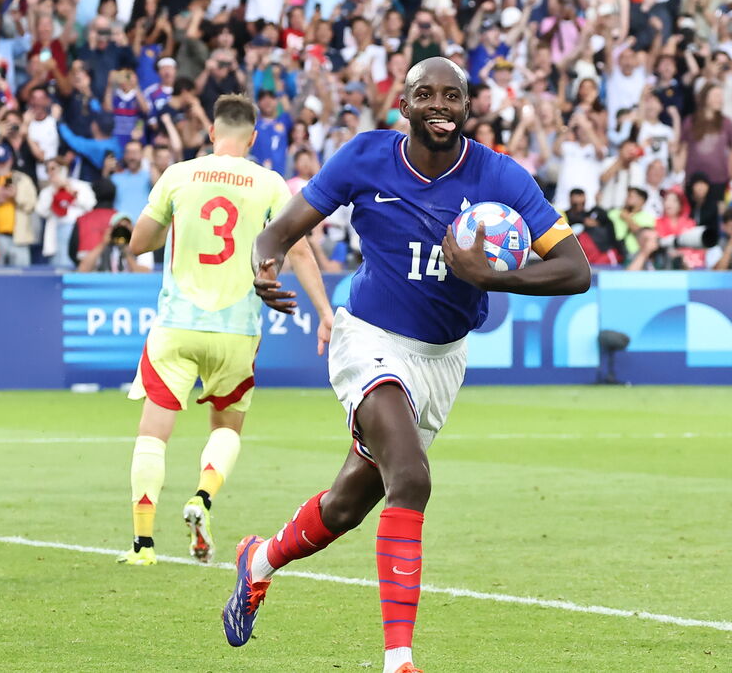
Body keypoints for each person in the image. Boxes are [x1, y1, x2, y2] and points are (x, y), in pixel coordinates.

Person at [221, 58, 590, 673]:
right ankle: (400, 661)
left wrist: (495, 276)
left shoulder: (501, 175)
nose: (440, 105)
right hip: (367, 338)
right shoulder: (366, 157)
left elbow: (575, 269)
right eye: (427, 94)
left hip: (442, 360)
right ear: (405, 104)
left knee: (346, 505)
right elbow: (279, 230)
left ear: (469, 106)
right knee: (412, 480)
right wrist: (264, 263)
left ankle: (258, 560)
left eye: (453, 95)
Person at [114, 94, 334, 566]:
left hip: (177, 325)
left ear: (211, 133)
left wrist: (154, 227)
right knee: (227, 428)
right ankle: (203, 497)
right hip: (236, 329)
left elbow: (138, 246)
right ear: (253, 139)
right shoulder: (269, 183)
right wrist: (324, 313)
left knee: (153, 434)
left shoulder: (178, 174)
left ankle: (143, 545)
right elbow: (297, 251)